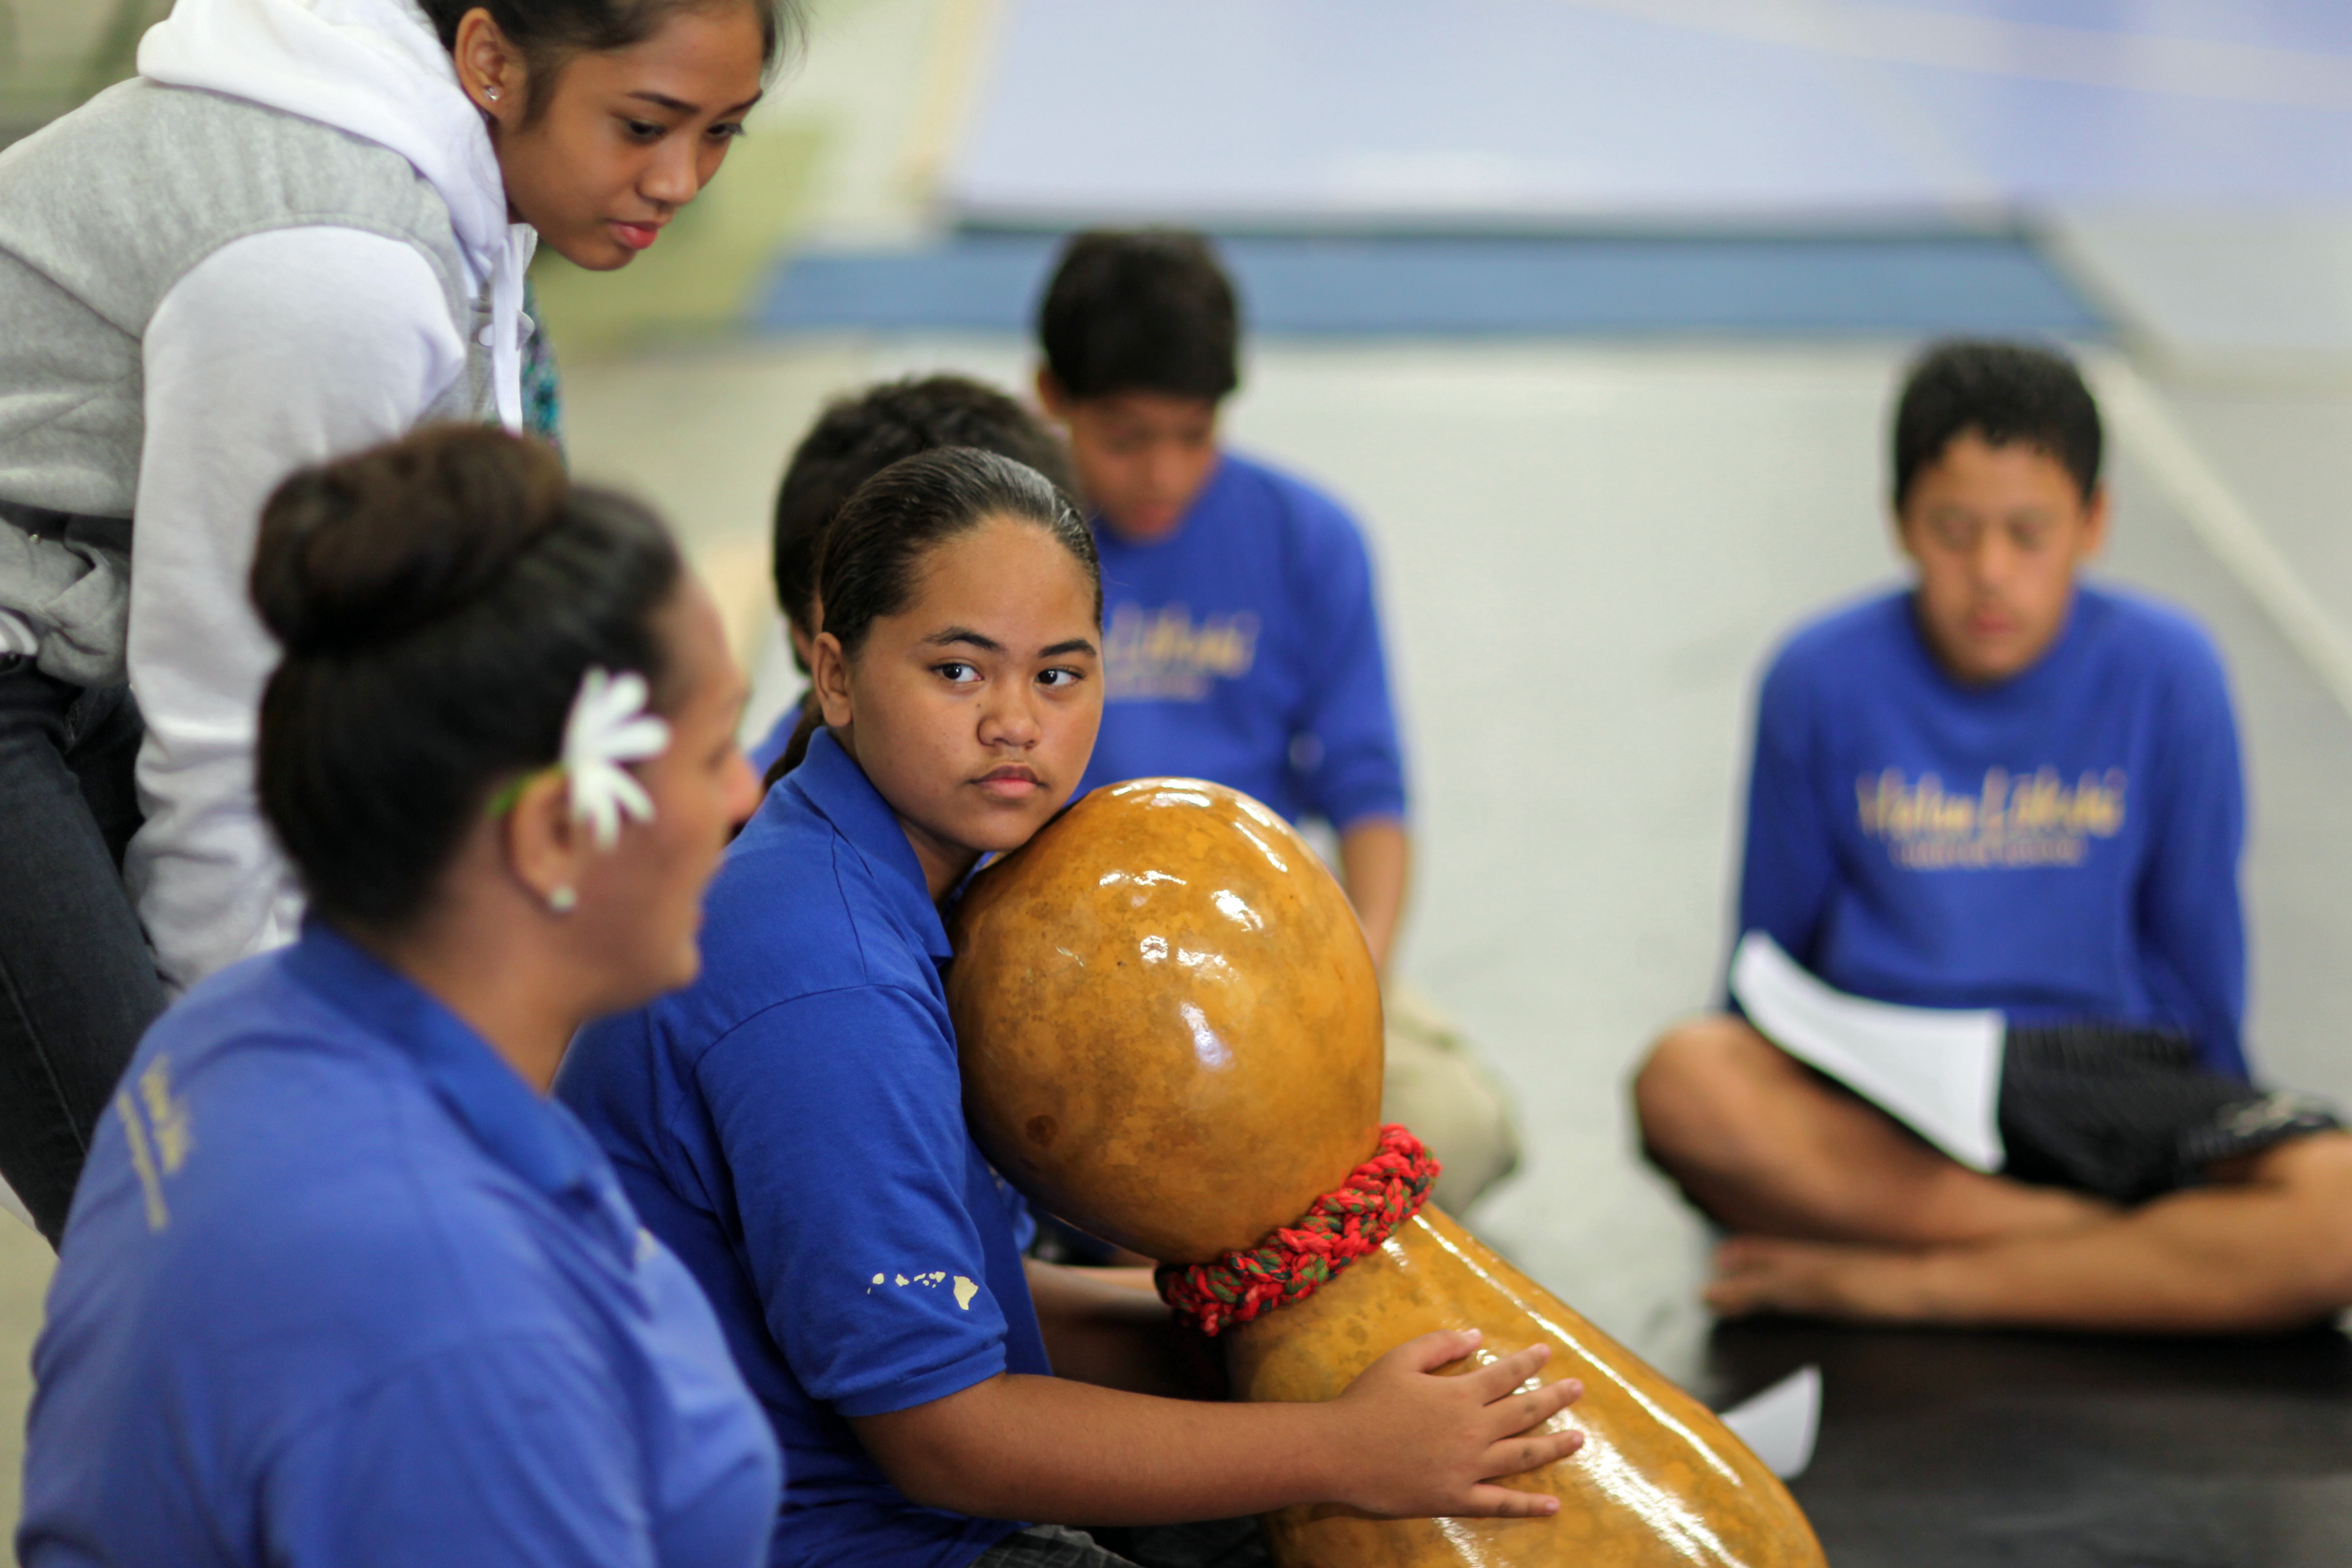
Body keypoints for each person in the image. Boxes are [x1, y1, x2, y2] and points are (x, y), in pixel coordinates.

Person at [557, 446, 1584, 1568]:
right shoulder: (825, 976)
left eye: (1059, 674)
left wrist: (1259, 1329)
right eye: (959, 672)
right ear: (835, 676)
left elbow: (969, 1300)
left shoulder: (892, 879)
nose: (1015, 723)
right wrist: (1342, 1447)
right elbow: (943, 1437)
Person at [0, 0, 789, 1244]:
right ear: (489, 60)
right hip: (40, 643)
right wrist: (266, 1088)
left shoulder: (455, 175)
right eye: (645, 126)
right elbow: (231, 725)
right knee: (193, 1217)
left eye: (723, 134)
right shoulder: (330, 271)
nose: (680, 179)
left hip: (73, 600)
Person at [18, 427, 779, 1565]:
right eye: (715, 746)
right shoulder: (455, 1330)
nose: (746, 793)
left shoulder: (234, 1034)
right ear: (557, 833)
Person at [1634, 339, 2352, 1333]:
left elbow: (2198, 949)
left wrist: (2220, 1141)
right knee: (1684, 1079)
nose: (1989, 574)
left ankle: (1909, 1281)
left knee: (2338, 1206)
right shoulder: (1817, 676)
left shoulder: (2170, 671)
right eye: (1953, 530)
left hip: (2101, 1063)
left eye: (2028, 532)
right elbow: (1764, 974)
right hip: (1889, 1079)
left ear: (2093, 522)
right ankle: (2112, 1256)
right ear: (1898, 521)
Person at [1034, 228, 1519, 1210]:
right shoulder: (1009, 543)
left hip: (1260, 955)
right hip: (1056, 968)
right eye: (1127, 437)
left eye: (1195, 434)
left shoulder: (1308, 537)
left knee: (1460, 1128)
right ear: (1053, 396)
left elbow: (1369, 786)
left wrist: (1355, 989)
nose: (1165, 473)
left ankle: (1165, 1223)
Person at [748, 374, 1077, 778]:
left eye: (1050, 674)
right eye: (955, 670)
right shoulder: (736, 824)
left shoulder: (1060, 787)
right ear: (822, 657)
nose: (1015, 723)